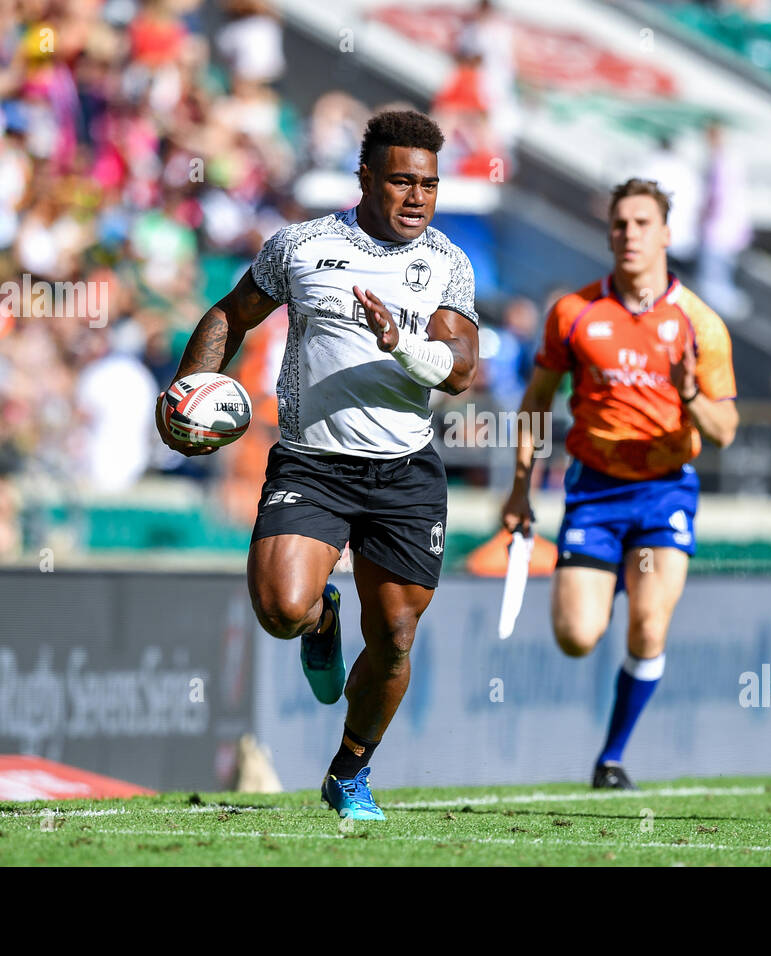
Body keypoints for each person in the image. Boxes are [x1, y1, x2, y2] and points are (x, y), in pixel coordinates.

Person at [154, 110, 479, 821]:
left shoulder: (448, 262)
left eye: (428, 183)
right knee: (279, 612)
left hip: (404, 472)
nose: (418, 196)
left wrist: (400, 345)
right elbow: (230, 315)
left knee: (394, 637)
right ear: (364, 178)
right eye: (401, 180)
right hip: (313, 464)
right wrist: (188, 387)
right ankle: (321, 618)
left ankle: (349, 772)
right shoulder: (301, 247)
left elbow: (459, 372)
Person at [501, 178, 738, 789]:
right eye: (619, 224)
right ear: (608, 233)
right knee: (578, 637)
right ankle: (608, 577)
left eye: (641, 223)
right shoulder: (573, 312)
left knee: (650, 625)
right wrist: (519, 489)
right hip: (594, 492)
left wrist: (687, 393)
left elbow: (727, 430)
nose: (629, 234)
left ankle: (611, 759)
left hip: (664, 492)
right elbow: (535, 404)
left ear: (665, 234)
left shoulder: (700, 324)